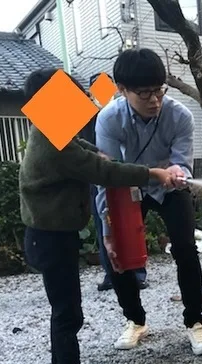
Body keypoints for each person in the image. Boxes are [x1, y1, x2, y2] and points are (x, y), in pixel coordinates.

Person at [19, 67, 184, 364]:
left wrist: (96, 150)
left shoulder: (48, 129)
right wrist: (152, 172)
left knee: (63, 304)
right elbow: (101, 171)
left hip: (47, 234)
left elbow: (83, 149)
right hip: (51, 237)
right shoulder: (54, 142)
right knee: (67, 308)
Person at [94, 48, 202, 356]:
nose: (155, 100)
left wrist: (179, 171)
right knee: (116, 253)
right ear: (122, 90)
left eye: (159, 91)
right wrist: (108, 230)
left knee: (186, 249)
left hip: (169, 188)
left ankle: (195, 322)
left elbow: (183, 162)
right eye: (144, 93)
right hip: (125, 189)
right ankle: (135, 320)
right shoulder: (108, 119)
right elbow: (106, 175)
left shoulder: (180, 115)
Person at [83, 74, 148, 292]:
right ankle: (112, 272)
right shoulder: (84, 114)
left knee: (133, 223)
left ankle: (138, 272)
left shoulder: (123, 111)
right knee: (105, 222)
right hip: (97, 176)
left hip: (126, 174)